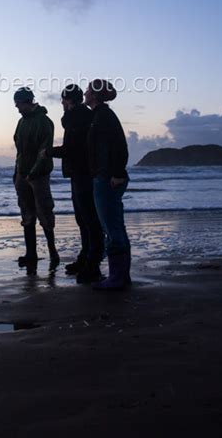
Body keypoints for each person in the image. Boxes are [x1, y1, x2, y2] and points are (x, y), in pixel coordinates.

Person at [49, 84, 104, 281]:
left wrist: (47, 151)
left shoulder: (77, 119)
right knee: (84, 219)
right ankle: (86, 258)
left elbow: (72, 149)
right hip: (80, 173)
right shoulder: (78, 118)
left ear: (69, 100)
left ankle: (92, 264)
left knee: (88, 219)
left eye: (63, 99)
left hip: (83, 173)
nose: (62, 103)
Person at [85, 79, 131, 290]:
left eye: (88, 90)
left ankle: (117, 278)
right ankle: (120, 276)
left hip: (107, 178)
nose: (85, 93)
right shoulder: (101, 115)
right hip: (105, 176)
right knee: (115, 226)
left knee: (112, 228)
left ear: (94, 95)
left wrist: (117, 173)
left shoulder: (103, 116)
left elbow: (118, 146)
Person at [13, 87, 59, 272]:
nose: (17, 108)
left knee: (45, 212)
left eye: (19, 104)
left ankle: (53, 252)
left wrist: (34, 172)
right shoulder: (21, 122)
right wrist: (17, 172)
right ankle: (31, 253)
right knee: (26, 213)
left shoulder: (45, 122)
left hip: (38, 176)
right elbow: (19, 151)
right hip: (22, 174)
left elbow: (44, 150)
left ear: (28, 102)